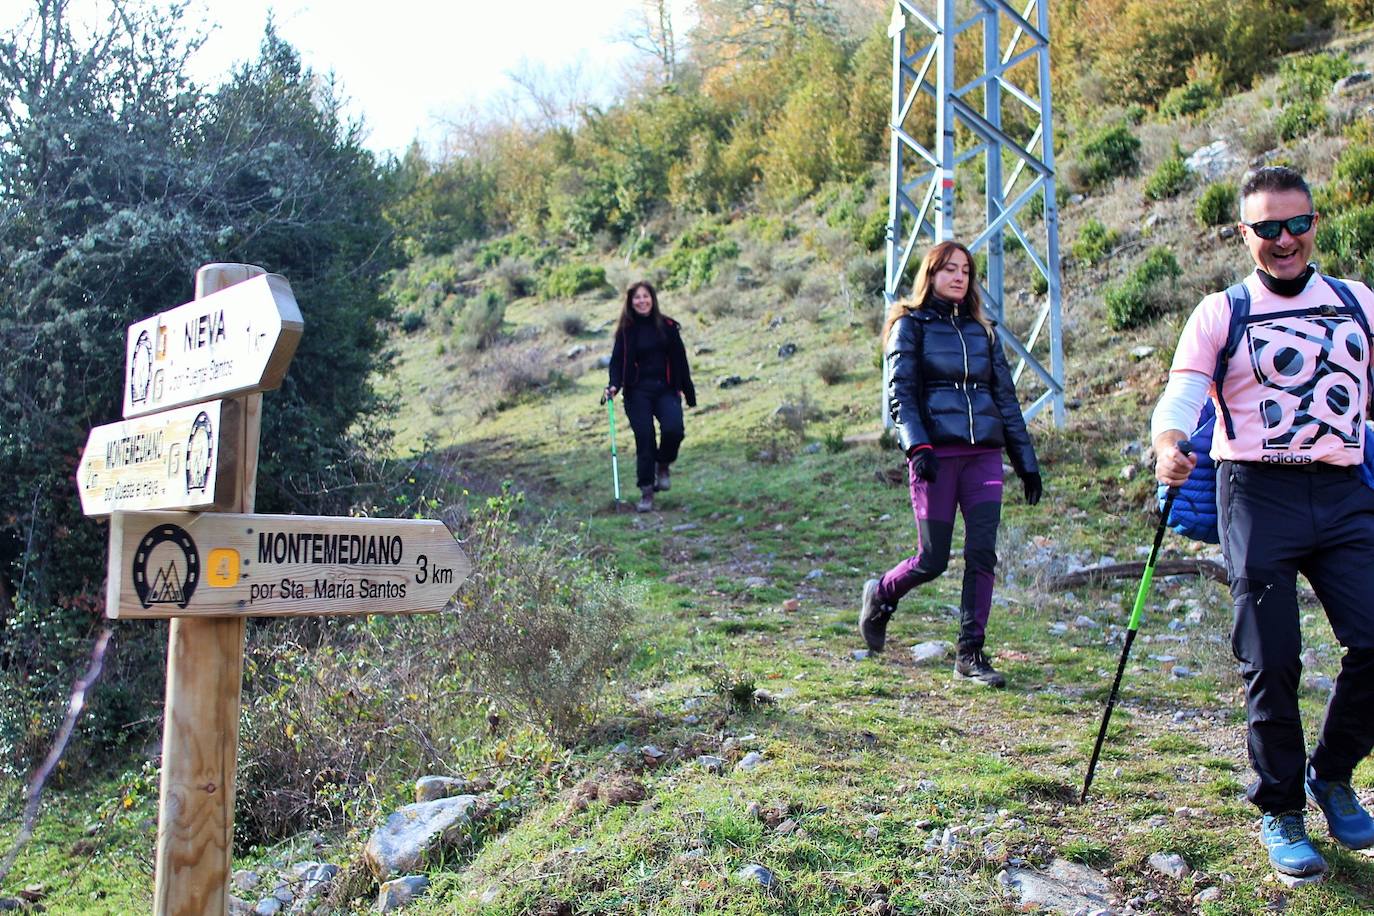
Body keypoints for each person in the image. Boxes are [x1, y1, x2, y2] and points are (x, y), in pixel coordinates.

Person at [1152, 165, 1374, 880]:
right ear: (1245, 235)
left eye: (1297, 223)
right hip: (1255, 491)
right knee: (1271, 659)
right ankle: (1279, 811)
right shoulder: (1222, 312)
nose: (1286, 240)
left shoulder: (1357, 303)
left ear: (1315, 222)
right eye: (1268, 228)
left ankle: (1332, 776)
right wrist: (1167, 446)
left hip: (1342, 490)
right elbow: (1183, 394)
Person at [860, 240, 1042, 687]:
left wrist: (1026, 461)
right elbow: (900, 393)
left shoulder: (984, 331)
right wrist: (917, 447)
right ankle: (881, 594)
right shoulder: (909, 325)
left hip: (983, 457)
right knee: (932, 559)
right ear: (931, 275)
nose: (959, 277)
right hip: (936, 457)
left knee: (982, 554)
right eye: (949, 269)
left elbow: (1005, 399)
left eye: (966, 270)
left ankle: (970, 654)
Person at [605, 280, 696, 513]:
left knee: (674, 430)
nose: (642, 301)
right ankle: (646, 491)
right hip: (637, 392)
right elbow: (616, 362)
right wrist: (614, 386)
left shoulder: (667, 326)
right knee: (645, 438)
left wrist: (688, 392)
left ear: (653, 299)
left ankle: (663, 465)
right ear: (630, 302)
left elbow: (680, 361)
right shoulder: (626, 332)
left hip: (666, 389)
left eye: (646, 296)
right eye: (637, 297)